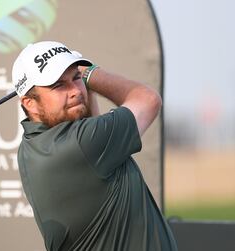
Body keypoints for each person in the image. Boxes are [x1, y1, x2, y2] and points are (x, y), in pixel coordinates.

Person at [12, 41, 178, 251]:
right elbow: (148, 100)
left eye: (75, 78)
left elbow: (89, 120)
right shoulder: (80, 144)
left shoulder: (32, 146)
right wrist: (89, 72)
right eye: (58, 85)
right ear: (29, 103)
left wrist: (79, 80)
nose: (75, 91)